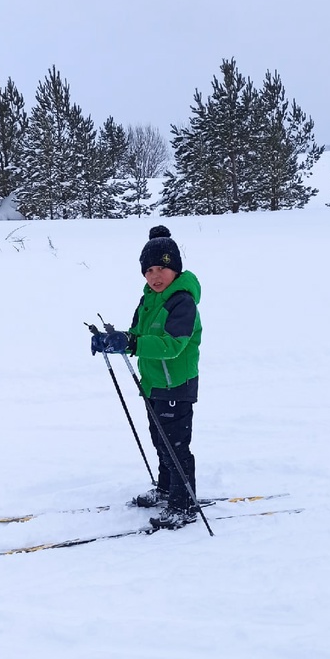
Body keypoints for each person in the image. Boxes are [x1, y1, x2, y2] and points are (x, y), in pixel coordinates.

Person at [91, 225, 202, 529]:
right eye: (149, 270)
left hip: (176, 385)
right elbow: (138, 335)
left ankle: (184, 505)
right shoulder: (148, 300)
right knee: (160, 441)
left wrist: (133, 343)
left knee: (176, 445)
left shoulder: (182, 301)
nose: (155, 275)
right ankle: (166, 489)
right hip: (153, 384)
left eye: (162, 267)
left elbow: (173, 345)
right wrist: (112, 340)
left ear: (175, 269)